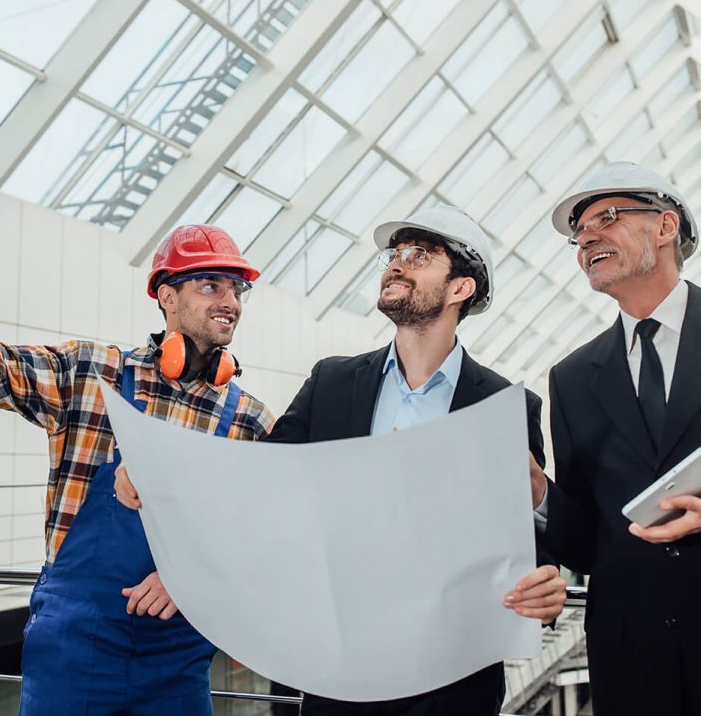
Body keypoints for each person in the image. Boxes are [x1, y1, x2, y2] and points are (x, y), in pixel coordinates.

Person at [116, 203, 567, 715]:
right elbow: (258, 487)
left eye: (419, 255)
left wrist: (544, 586)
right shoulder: (331, 384)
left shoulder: (506, 407)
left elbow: (527, 545)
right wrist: (163, 477)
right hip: (340, 679)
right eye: (394, 254)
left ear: (461, 288)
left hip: (454, 686)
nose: (396, 263)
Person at [0, 182, 273, 716]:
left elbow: (270, 536)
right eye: (211, 286)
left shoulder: (250, 420)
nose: (230, 302)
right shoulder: (93, 374)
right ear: (167, 296)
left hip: (178, 659)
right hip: (75, 651)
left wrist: (193, 577)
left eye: (237, 290)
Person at [529, 161, 701, 716]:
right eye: (579, 233)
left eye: (606, 218)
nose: (586, 239)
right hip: (632, 667)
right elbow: (586, 541)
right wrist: (538, 492)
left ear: (665, 226)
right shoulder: (573, 377)